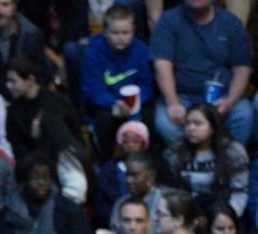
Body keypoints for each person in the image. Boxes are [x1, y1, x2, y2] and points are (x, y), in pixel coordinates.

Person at [150, 0, 253, 145]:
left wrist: (230, 101)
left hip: (222, 96)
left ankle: (227, 162)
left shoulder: (231, 22)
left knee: (243, 115)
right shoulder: (168, 21)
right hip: (181, 96)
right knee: (165, 123)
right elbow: (161, 65)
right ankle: (190, 162)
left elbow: (242, 67)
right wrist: (172, 102)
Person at [5, 55, 88, 205]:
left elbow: (77, 136)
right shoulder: (13, 112)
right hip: (37, 169)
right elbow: (20, 154)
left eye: (13, 81)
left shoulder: (58, 101)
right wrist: (35, 138)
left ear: (30, 79)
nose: (8, 86)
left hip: (67, 160)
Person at [81, 3, 155, 158]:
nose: (121, 37)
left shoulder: (141, 50)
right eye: (115, 32)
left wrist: (136, 102)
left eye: (126, 32)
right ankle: (104, 162)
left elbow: (147, 84)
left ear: (133, 30)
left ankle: (146, 161)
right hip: (108, 105)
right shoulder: (93, 52)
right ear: (105, 31)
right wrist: (114, 103)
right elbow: (93, 89)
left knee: (150, 116)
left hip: (137, 103)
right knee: (104, 120)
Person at [163, 103, 249, 217]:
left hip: (223, 213)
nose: (191, 128)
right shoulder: (174, 152)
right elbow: (169, 190)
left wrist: (227, 218)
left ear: (213, 127)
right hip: (186, 214)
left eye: (197, 124)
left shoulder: (233, 152)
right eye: (188, 123)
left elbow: (239, 192)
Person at [107, 150, 166, 234]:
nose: (128, 180)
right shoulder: (121, 203)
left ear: (150, 177)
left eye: (134, 175)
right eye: (127, 175)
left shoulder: (163, 202)